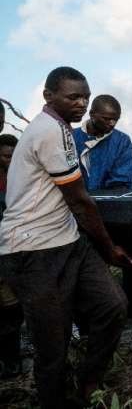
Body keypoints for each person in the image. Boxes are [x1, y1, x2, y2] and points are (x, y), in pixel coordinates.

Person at [0, 67, 132, 408]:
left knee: (112, 305)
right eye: (73, 97)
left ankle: (87, 382)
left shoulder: (62, 130)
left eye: (84, 97)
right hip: (34, 249)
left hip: (68, 240)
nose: (81, 103)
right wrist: (109, 249)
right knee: (51, 346)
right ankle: (55, 399)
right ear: (48, 96)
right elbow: (79, 200)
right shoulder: (48, 132)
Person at [73, 95, 132, 352]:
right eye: (106, 118)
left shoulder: (121, 141)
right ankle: (87, 335)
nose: (111, 124)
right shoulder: (72, 140)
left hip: (117, 218)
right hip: (80, 221)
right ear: (92, 114)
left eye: (115, 119)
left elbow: (122, 180)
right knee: (82, 277)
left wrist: (95, 197)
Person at [0, 133, 23, 379]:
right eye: (7, 156)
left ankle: (12, 361)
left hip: (16, 252)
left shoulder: (20, 178)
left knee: (12, 310)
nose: (11, 160)